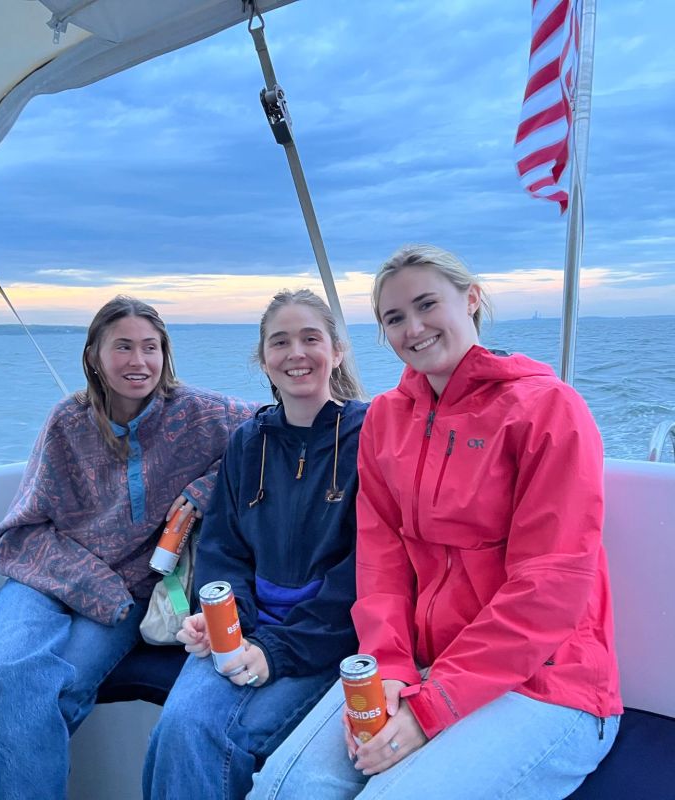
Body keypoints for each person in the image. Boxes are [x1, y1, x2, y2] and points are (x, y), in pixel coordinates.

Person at [250, 245, 623, 800]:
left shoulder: (547, 409)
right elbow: (382, 564)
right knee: (285, 788)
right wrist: (392, 670)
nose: (413, 328)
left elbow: (549, 586)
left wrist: (431, 708)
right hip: (419, 663)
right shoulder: (385, 418)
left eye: (427, 305)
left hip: (545, 680)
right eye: (394, 318)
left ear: (470, 300)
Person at [0, 295, 254, 800]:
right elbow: (20, 532)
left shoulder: (200, 414)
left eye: (150, 347)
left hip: (129, 592)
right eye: (122, 347)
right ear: (95, 356)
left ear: (165, 354)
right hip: (47, 578)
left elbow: (269, 427)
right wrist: (96, 585)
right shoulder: (67, 422)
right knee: (8, 671)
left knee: (55, 689)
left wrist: (203, 490)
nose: (137, 361)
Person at [142, 289, 368, 800]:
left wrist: (275, 651)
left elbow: (368, 569)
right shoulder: (248, 441)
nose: (296, 354)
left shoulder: (370, 435)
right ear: (263, 358)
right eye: (280, 342)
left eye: (311, 338)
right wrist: (221, 621)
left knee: (222, 736)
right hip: (247, 627)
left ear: (337, 350)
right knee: (179, 722)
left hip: (326, 638)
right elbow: (224, 550)